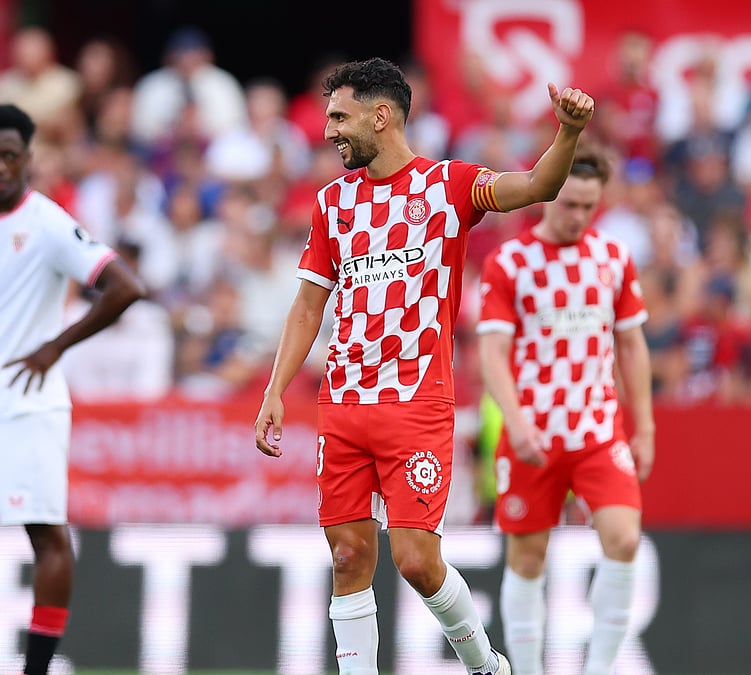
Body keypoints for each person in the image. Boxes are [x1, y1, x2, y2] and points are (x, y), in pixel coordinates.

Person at [253, 57, 595, 675]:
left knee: (415, 560)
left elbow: (536, 188)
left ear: (380, 116)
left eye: (339, 116)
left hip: (416, 403)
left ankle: (483, 661)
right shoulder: (332, 203)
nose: (328, 130)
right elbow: (309, 305)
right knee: (348, 555)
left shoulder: (448, 186)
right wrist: (276, 388)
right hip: (344, 402)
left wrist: (566, 133)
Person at [0, 103, 145, 675]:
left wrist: (55, 347)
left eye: (9, 156)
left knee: (45, 537)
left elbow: (125, 287)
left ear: (28, 159)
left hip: (26, 405)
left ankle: (36, 670)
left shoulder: (46, 223)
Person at [476, 146, 655, 675]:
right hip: (533, 430)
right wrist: (515, 419)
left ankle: (599, 668)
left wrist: (643, 426)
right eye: (570, 203)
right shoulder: (510, 263)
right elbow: (492, 352)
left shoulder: (612, 258)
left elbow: (631, 345)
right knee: (528, 558)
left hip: (598, 428)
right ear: (548, 195)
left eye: (588, 206)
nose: (578, 216)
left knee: (624, 538)